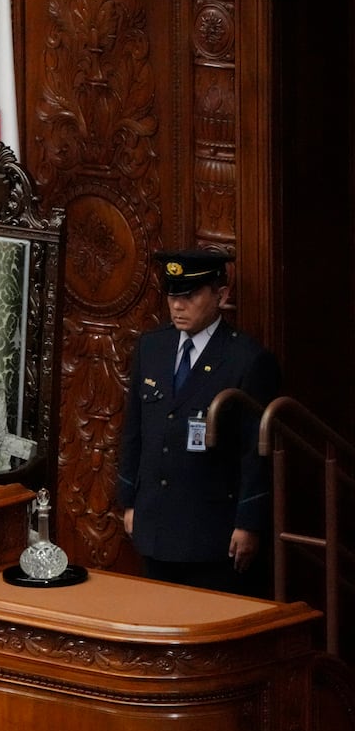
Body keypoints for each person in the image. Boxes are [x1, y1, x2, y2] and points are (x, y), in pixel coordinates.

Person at [117, 249, 280, 594]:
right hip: (156, 524)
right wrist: (129, 501)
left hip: (212, 534)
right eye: (173, 295)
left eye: (189, 295)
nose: (177, 305)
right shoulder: (152, 347)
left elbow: (257, 452)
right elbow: (134, 431)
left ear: (221, 296)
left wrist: (249, 523)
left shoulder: (247, 359)